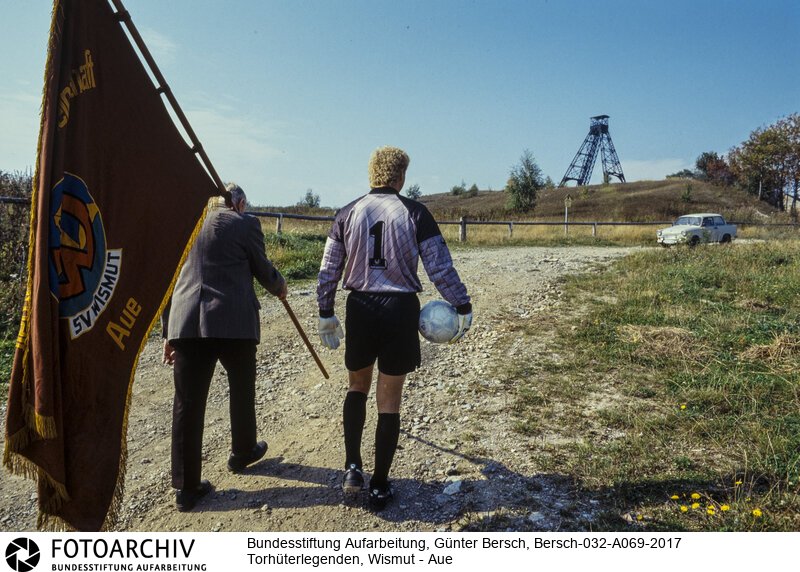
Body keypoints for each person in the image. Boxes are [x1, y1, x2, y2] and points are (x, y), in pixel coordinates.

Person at [316, 146, 472, 511]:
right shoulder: (415, 213)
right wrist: (462, 304)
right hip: (399, 309)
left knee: (357, 386)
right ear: (400, 177)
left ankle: (353, 468)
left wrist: (326, 309)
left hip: (360, 307)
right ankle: (381, 484)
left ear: (371, 175)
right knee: (389, 399)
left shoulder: (346, 213)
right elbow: (439, 267)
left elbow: (328, 269)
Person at [163, 183, 287, 512]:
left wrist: (167, 332)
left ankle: (187, 489)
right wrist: (279, 285)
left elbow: (169, 280)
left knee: (187, 405)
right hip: (235, 322)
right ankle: (243, 450)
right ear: (239, 202)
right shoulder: (245, 222)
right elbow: (262, 267)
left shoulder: (184, 225)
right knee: (242, 388)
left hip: (187, 322)